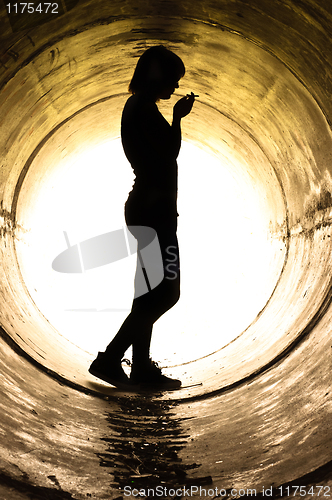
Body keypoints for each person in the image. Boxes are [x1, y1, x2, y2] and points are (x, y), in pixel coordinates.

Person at [89, 45, 196, 390]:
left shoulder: (141, 107)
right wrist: (177, 119)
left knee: (148, 295)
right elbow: (169, 152)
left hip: (150, 210)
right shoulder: (141, 108)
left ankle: (140, 367)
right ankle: (110, 358)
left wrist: (175, 118)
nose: (176, 86)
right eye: (173, 79)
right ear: (156, 74)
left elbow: (166, 152)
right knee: (166, 293)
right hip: (152, 213)